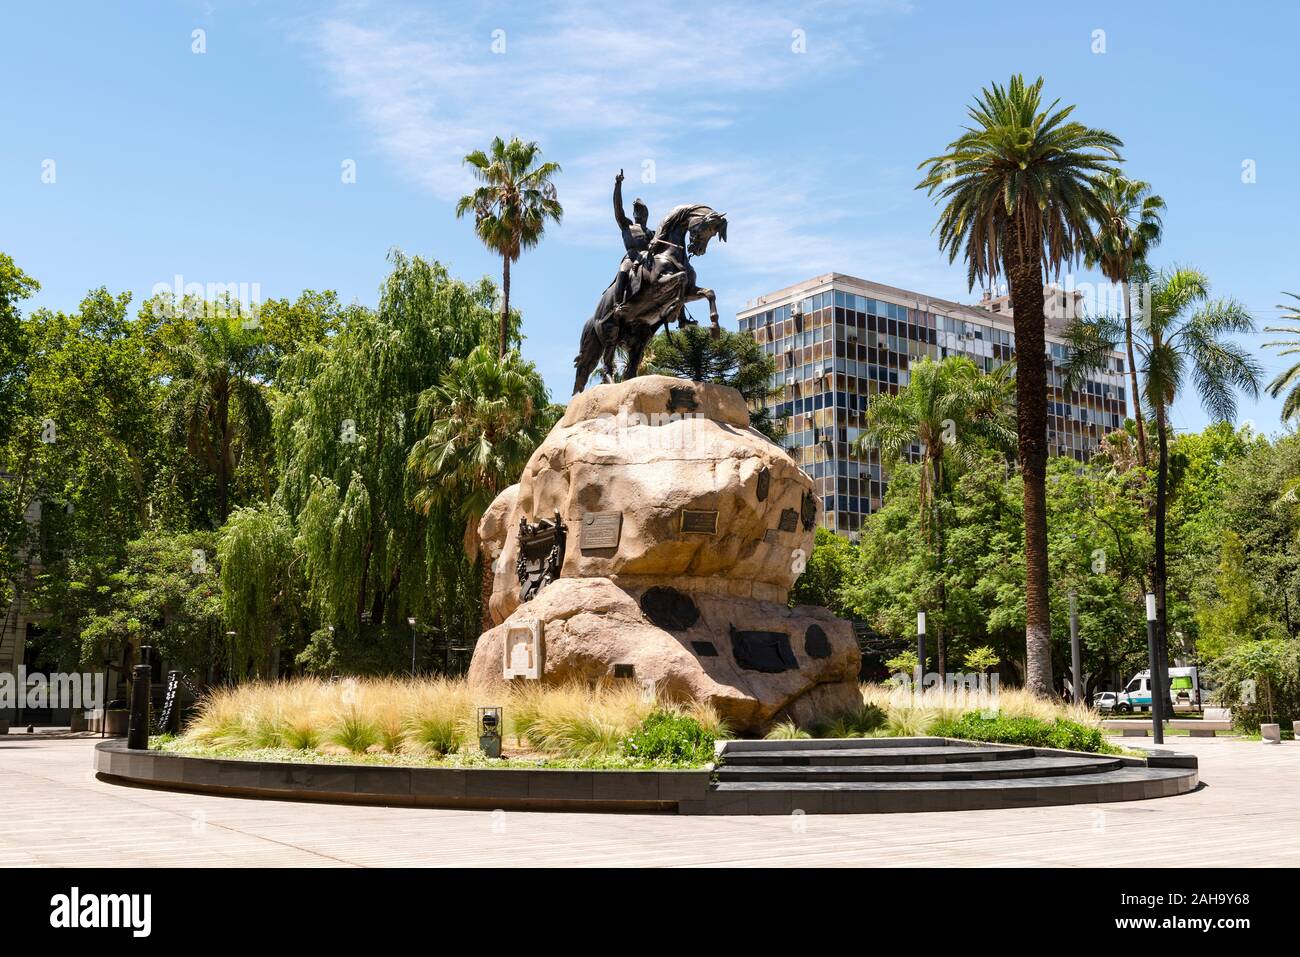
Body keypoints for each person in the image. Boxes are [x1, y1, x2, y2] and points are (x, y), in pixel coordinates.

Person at [611, 169, 655, 312]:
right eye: (637, 210)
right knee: (623, 271)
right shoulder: (627, 225)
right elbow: (618, 208)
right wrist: (618, 184)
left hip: (646, 258)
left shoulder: (651, 232)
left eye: (641, 211)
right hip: (631, 257)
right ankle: (617, 304)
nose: (639, 213)